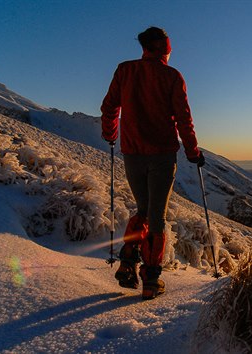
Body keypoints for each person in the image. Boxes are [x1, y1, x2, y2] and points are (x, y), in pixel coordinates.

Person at [101, 27, 205, 300]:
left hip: (132, 153)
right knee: (156, 215)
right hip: (161, 155)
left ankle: (128, 258)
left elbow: (110, 106)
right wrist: (193, 152)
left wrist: (111, 134)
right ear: (164, 48)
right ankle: (151, 278)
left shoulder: (125, 70)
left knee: (143, 209)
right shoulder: (172, 76)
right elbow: (184, 118)